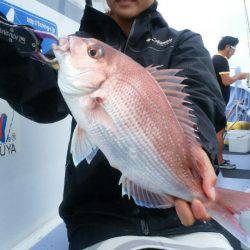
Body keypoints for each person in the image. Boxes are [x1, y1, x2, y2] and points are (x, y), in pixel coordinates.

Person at [0, 1, 239, 249]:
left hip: (185, 220)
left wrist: (196, 148)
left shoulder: (184, 42)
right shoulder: (77, 46)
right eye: (93, 53)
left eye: (93, 53)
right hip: (98, 221)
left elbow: (199, 98)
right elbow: (41, 99)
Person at [212, 36, 248, 170]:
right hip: (218, 102)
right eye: (233, 49)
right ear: (227, 47)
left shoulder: (214, 59)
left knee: (217, 130)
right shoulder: (221, 60)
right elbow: (226, 81)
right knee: (220, 131)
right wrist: (239, 76)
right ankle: (219, 161)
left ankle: (215, 158)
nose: (234, 52)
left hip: (215, 101)